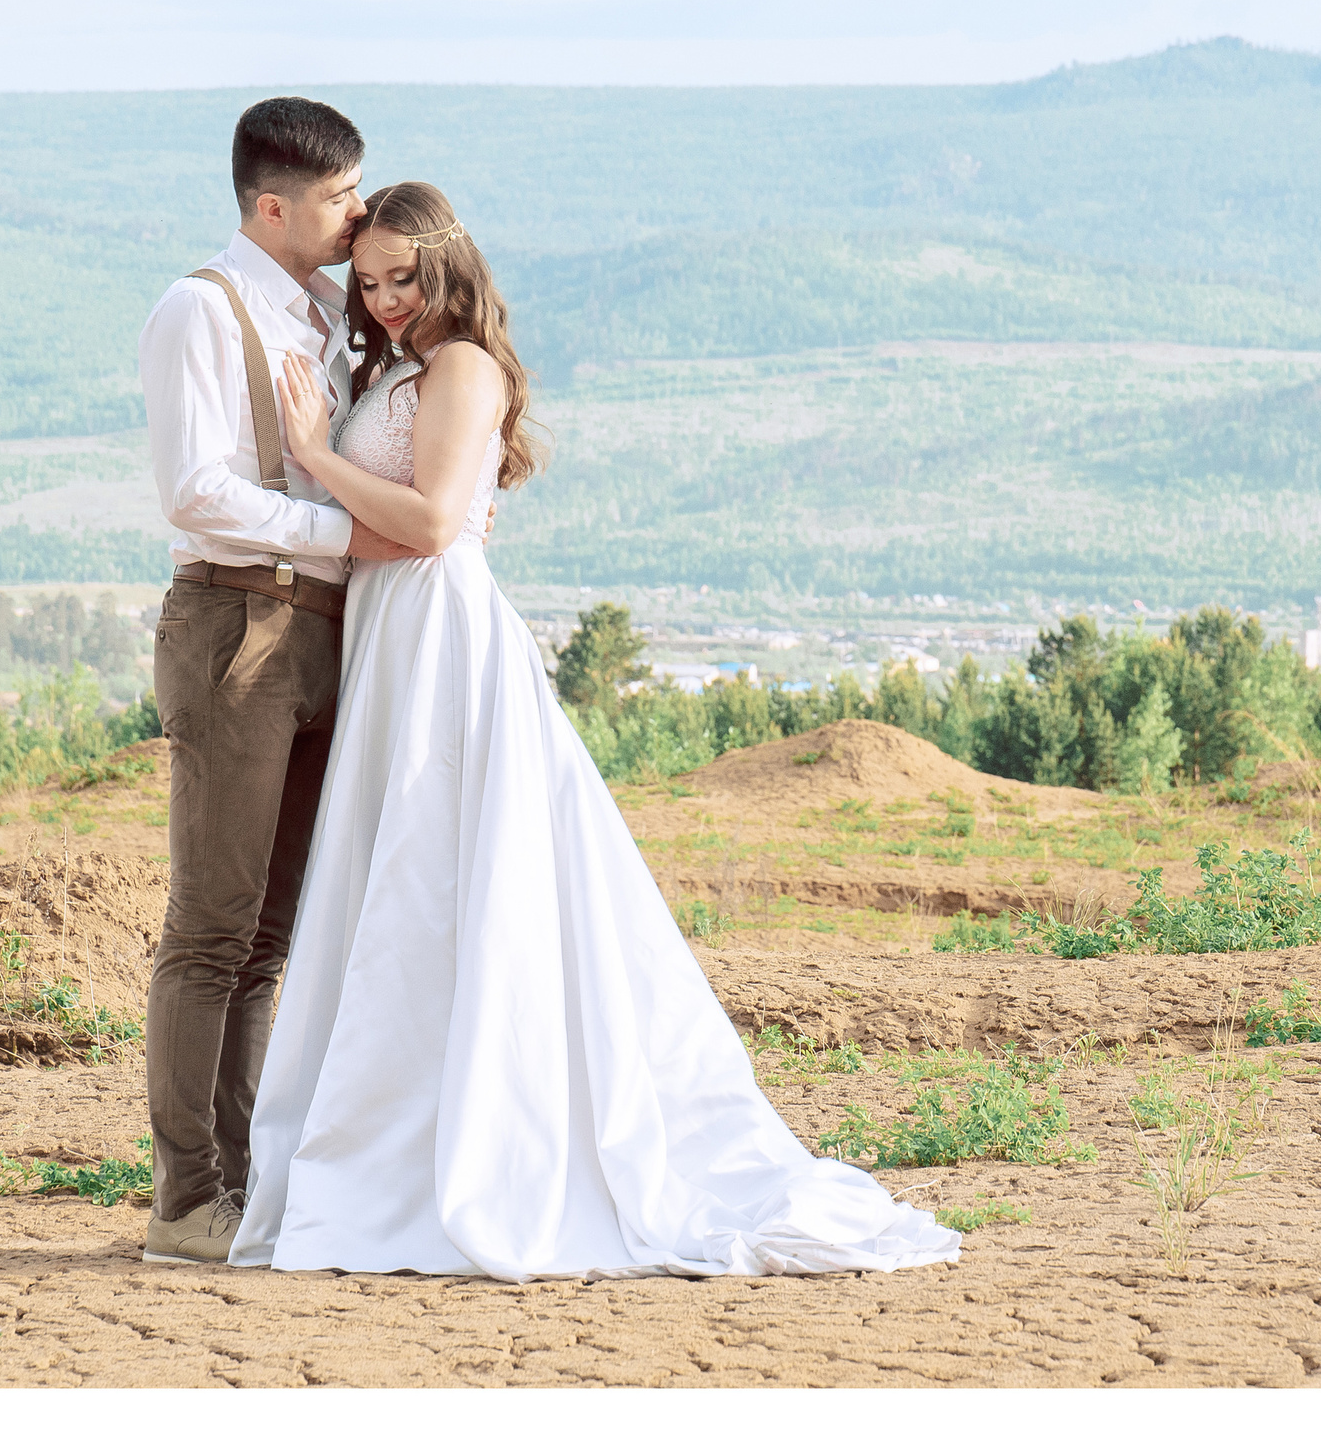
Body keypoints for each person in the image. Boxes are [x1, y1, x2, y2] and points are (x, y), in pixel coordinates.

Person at [226, 180, 961, 1280]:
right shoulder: (402, 367)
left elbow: (429, 525)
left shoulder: (464, 366)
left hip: (441, 641)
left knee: (445, 877)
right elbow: (390, 534)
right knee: (402, 887)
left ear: (448, 266)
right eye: (367, 281)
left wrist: (315, 457)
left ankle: (470, 1152)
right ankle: (391, 1144)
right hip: (391, 632)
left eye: (401, 279)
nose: (380, 300)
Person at [134, 97, 423, 1265]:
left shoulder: (317, 313)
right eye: (343, 196)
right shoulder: (199, 310)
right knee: (210, 928)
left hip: (314, 634)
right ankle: (182, 1198)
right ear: (273, 204)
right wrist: (343, 532)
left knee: (268, 934)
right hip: (237, 627)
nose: (358, 213)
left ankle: (242, 1187)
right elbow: (196, 490)